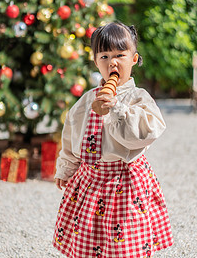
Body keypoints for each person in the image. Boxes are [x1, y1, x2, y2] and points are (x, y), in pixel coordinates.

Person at [52, 21, 173, 258]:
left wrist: (116, 107)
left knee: (125, 240)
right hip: (91, 180)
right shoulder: (87, 101)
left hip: (125, 181)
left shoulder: (139, 98)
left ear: (134, 59)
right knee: (88, 237)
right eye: (105, 56)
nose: (112, 62)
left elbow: (141, 135)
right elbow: (71, 136)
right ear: (96, 61)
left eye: (120, 55)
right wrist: (65, 168)